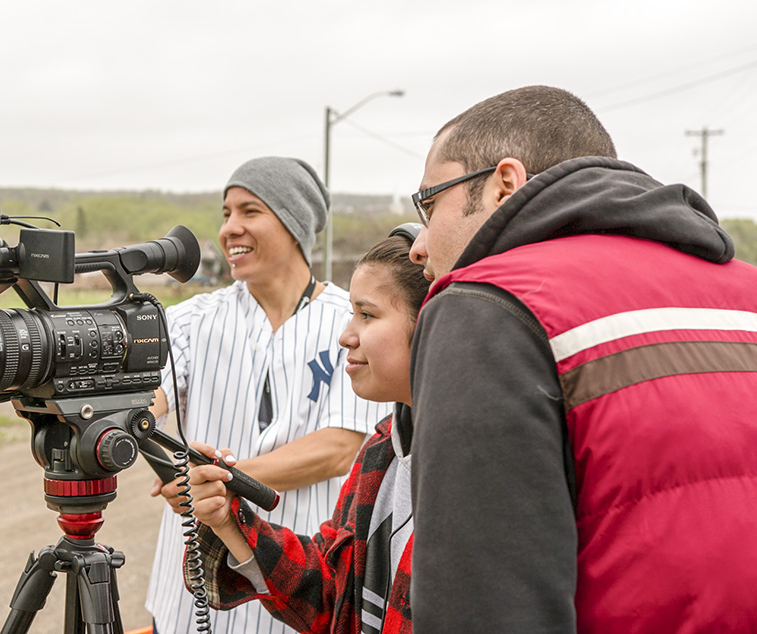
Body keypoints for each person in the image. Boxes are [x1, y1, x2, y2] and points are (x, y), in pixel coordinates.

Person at [406, 85, 757, 632]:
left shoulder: (487, 305)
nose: (418, 244)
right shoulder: (746, 293)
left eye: (430, 203)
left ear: (505, 184)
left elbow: (483, 606)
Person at [144, 156, 390, 634]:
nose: (229, 229)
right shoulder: (193, 318)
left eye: (250, 211)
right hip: (190, 594)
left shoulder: (351, 319)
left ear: (294, 223)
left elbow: (339, 448)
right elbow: (144, 403)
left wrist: (215, 483)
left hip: (297, 586)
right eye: (225, 213)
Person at [181, 228, 429, 634]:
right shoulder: (383, 450)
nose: (346, 335)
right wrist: (230, 520)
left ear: (432, 323)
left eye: (367, 315)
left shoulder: (477, 474)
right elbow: (332, 594)